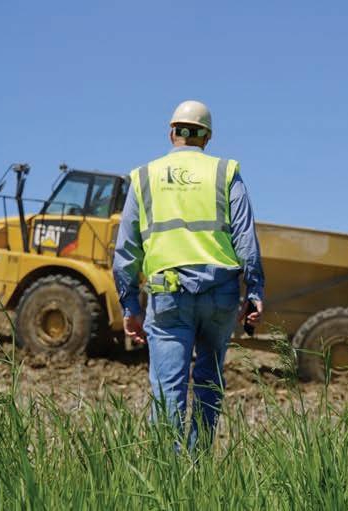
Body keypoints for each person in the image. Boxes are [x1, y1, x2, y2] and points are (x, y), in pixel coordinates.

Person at [113, 100, 266, 451]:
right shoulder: (225, 172)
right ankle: (198, 466)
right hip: (221, 295)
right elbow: (246, 239)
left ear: (172, 133)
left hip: (168, 296)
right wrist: (255, 291)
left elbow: (126, 252)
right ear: (207, 137)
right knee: (209, 383)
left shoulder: (145, 177)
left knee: (169, 390)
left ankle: (169, 475)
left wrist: (130, 307)